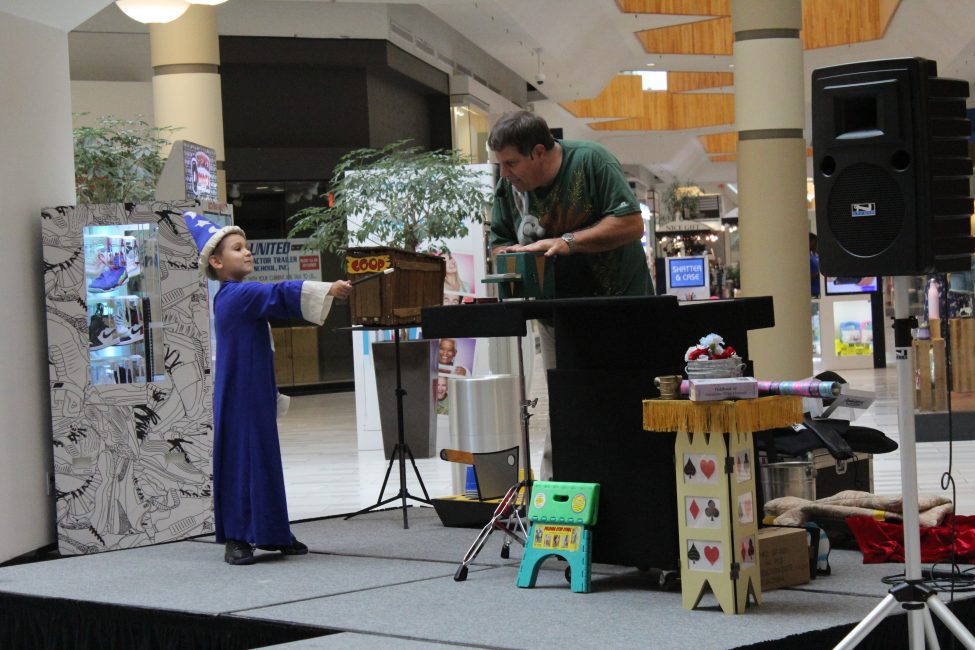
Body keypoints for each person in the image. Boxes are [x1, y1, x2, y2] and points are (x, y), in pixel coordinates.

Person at [488, 110, 652, 479]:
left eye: (511, 163)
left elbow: (631, 223)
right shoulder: (508, 189)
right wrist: (511, 255)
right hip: (557, 318)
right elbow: (499, 242)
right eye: (500, 164)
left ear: (538, 152)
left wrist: (567, 243)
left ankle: (632, 489)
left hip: (621, 309)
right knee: (566, 405)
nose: (504, 173)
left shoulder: (591, 161)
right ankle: (557, 495)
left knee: (625, 401)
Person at [183, 211, 352, 565]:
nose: (247, 252)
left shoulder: (236, 294)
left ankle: (273, 532)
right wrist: (328, 289)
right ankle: (237, 537)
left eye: (246, 246)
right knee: (242, 460)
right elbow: (277, 292)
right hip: (240, 394)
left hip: (253, 391)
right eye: (237, 248)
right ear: (216, 262)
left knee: (263, 459)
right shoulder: (237, 295)